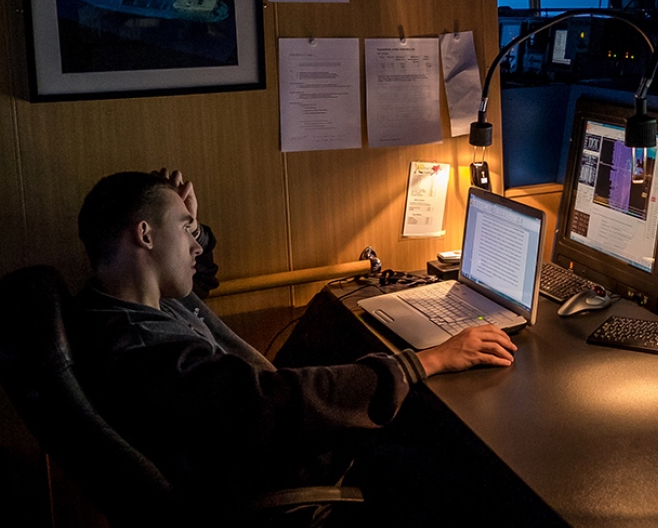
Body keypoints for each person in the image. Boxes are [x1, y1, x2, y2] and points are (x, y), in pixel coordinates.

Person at [64, 168, 519, 514]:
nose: (197, 245)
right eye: (186, 231)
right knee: (468, 470)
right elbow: (271, 404)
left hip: (269, 444)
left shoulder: (126, 305)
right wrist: (424, 362)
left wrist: (188, 222)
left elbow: (196, 279)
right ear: (144, 235)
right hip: (284, 481)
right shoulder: (146, 352)